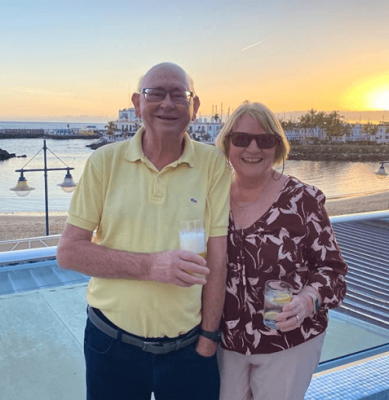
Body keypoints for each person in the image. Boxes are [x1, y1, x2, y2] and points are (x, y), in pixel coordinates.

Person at [57, 62, 231, 400]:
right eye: (156, 93)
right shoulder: (103, 162)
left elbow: (218, 260)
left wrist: (210, 337)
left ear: (194, 108)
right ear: (138, 103)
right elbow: (69, 252)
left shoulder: (213, 165)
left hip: (190, 349)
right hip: (111, 345)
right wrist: (151, 266)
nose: (167, 103)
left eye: (179, 95)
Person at [215, 102, 348, 400]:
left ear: (278, 147)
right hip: (227, 342)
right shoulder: (213, 195)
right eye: (241, 138)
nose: (253, 148)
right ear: (227, 143)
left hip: (288, 342)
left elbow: (334, 272)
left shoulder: (303, 200)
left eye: (265, 140)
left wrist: (306, 302)